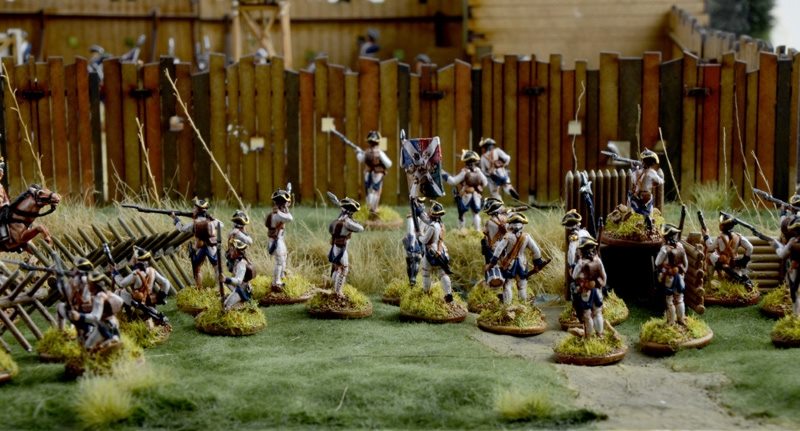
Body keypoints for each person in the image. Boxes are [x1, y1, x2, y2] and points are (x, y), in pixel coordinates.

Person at [487, 213, 547, 305]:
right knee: (522, 286)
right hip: (522, 264)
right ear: (522, 225)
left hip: (509, 264)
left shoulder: (508, 236)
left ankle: (507, 306)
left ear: (510, 225)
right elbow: (536, 251)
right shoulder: (526, 237)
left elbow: (499, 249)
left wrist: (493, 262)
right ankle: (523, 306)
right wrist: (537, 263)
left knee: (507, 285)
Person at [113, 246, 173, 326]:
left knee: (118, 292)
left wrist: (115, 273)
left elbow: (121, 283)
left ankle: (122, 318)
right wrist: (161, 297)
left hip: (138, 304)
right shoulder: (152, 271)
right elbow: (166, 283)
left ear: (136, 259)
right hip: (149, 303)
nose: (131, 259)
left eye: (133, 257)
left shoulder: (135, 274)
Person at [69, 272, 124, 351]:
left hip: (105, 325)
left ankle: (108, 343)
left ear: (94, 285)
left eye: (89, 284)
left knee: (87, 346)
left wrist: (80, 316)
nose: (87, 286)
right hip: (111, 322)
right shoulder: (105, 294)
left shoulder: (99, 296)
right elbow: (120, 302)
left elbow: (95, 317)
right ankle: (110, 340)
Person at [173, 198, 220, 289]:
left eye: (194, 208)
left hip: (200, 246)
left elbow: (182, 228)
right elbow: (220, 225)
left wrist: (175, 218)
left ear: (198, 210)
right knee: (216, 267)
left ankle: (199, 288)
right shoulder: (212, 221)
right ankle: (219, 287)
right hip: (211, 246)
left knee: (197, 268)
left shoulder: (194, 224)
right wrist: (211, 218)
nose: (193, 209)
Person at [703, 213, 753, 286]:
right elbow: (750, 247)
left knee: (709, 256)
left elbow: (710, 247)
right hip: (734, 261)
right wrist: (743, 261)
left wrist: (706, 236)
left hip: (723, 262)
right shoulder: (739, 236)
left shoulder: (720, 238)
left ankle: (709, 279)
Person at [328, 197, 365, 296]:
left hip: (336, 245)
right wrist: (353, 222)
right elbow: (360, 228)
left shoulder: (339, 219)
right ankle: (338, 291)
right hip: (340, 247)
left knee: (337, 267)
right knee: (343, 268)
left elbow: (331, 229)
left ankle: (334, 288)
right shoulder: (347, 221)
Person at [572, 236, 606, 338]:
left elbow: (574, 276)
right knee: (597, 312)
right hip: (597, 291)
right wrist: (600, 285)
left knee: (587, 315)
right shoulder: (598, 260)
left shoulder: (581, 263)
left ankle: (589, 337)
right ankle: (599, 334)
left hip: (586, 291)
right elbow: (604, 277)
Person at [419, 202, 454, 302]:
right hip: (441, 250)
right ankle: (448, 293)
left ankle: (426, 293)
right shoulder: (440, 224)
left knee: (426, 273)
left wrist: (419, 235)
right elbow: (425, 219)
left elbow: (424, 240)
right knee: (443, 273)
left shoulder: (432, 226)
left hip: (432, 251)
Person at [655, 224, 688, 325]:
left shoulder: (665, 249)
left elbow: (657, 262)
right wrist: (682, 273)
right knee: (680, 298)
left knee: (669, 300)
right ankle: (681, 319)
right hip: (680, 276)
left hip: (669, 277)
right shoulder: (680, 246)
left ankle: (671, 321)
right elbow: (686, 264)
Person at [447, 150, 488, 230]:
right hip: (476, 195)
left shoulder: (464, 172)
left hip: (466, 194)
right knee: (476, 213)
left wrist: (446, 176)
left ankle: (461, 230)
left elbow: (454, 181)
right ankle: (477, 230)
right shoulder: (478, 171)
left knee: (462, 213)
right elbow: (485, 182)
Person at [356, 131, 393, 218]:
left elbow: (360, 159)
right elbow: (389, 164)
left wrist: (358, 152)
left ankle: (371, 209)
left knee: (370, 190)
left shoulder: (367, 152)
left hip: (369, 173)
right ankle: (373, 209)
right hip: (376, 174)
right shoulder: (379, 152)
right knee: (375, 191)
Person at [55, 257, 95, 335]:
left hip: (81, 313)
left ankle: (60, 333)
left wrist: (58, 278)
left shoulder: (75, 281)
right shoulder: (91, 280)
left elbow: (64, 292)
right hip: (92, 313)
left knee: (60, 307)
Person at [628, 149, 665, 231]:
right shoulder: (652, 172)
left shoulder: (637, 172)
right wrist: (653, 183)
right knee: (649, 209)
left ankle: (638, 224)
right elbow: (660, 181)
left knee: (634, 209)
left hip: (637, 195)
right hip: (647, 195)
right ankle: (648, 222)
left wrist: (634, 169)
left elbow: (633, 180)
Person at [266, 189, 294, 291]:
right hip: (276, 241)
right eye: (285, 202)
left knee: (284, 257)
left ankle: (282, 275)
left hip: (279, 240)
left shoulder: (277, 212)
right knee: (279, 262)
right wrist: (286, 207)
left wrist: (285, 206)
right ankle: (276, 282)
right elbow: (289, 218)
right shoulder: (277, 214)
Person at [562, 209, 591, 304]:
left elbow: (571, 252)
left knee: (576, 283)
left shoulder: (574, 237)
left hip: (579, 262)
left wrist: (571, 265)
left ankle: (578, 304)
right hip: (590, 261)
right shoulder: (585, 232)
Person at [776, 215, 800, 316]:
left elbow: (782, 254)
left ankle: (796, 315)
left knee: (794, 292)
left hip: (795, 268)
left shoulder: (793, 241)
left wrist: (776, 246)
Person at [222, 239, 255, 311]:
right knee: (225, 303)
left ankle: (242, 304)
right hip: (238, 287)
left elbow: (239, 281)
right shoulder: (236, 261)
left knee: (226, 306)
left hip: (241, 289)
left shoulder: (241, 264)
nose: (230, 252)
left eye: (232, 250)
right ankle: (237, 301)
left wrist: (226, 279)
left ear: (236, 251)